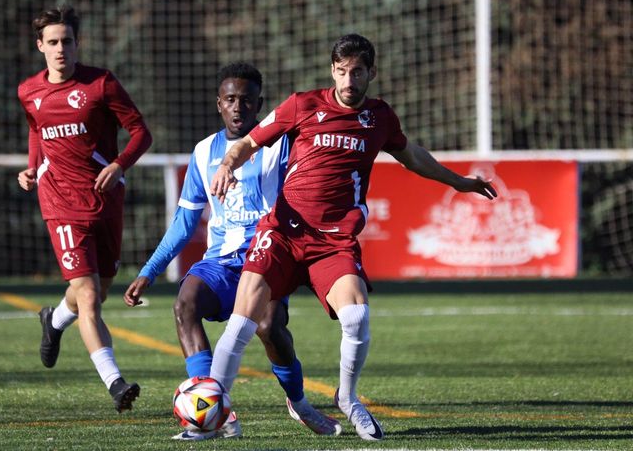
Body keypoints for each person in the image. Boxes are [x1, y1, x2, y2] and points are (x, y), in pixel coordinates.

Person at [208, 34, 498, 441]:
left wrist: (459, 183)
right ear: (332, 71)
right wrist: (225, 164)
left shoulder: (379, 118)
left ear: (371, 74)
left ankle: (348, 397)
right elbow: (250, 142)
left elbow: (412, 155)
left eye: (357, 71)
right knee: (242, 323)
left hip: (333, 240)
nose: (348, 80)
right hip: (283, 232)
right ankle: (213, 407)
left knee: (357, 316)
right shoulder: (303, 104)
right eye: (342, 71)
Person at [123, 63, 341, 440]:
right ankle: (214, 412)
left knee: (270, 327)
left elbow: (309, 201)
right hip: (221, 263)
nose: (238, 106)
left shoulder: (283, 145)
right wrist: (150, 269)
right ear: (218, 104)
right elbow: (185, 221)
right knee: (185, 305)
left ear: (259, 105)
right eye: (230, 99)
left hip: (270, 257)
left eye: (246, 100)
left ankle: (299, 402)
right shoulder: (204, 152)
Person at [16, 5, 152, 413]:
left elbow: (141, 133)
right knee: (89, 296)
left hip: (105, 202)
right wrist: (32, 168)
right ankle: (115, 383)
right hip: (59, 204)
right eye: (53, 42)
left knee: (99, 291)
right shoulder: (29, 91)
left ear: (78, 44)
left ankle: (54, 320)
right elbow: (36, 131)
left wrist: (117, 165)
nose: (61, 49)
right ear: (40, 46)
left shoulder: (101, 84)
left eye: (67, 41)